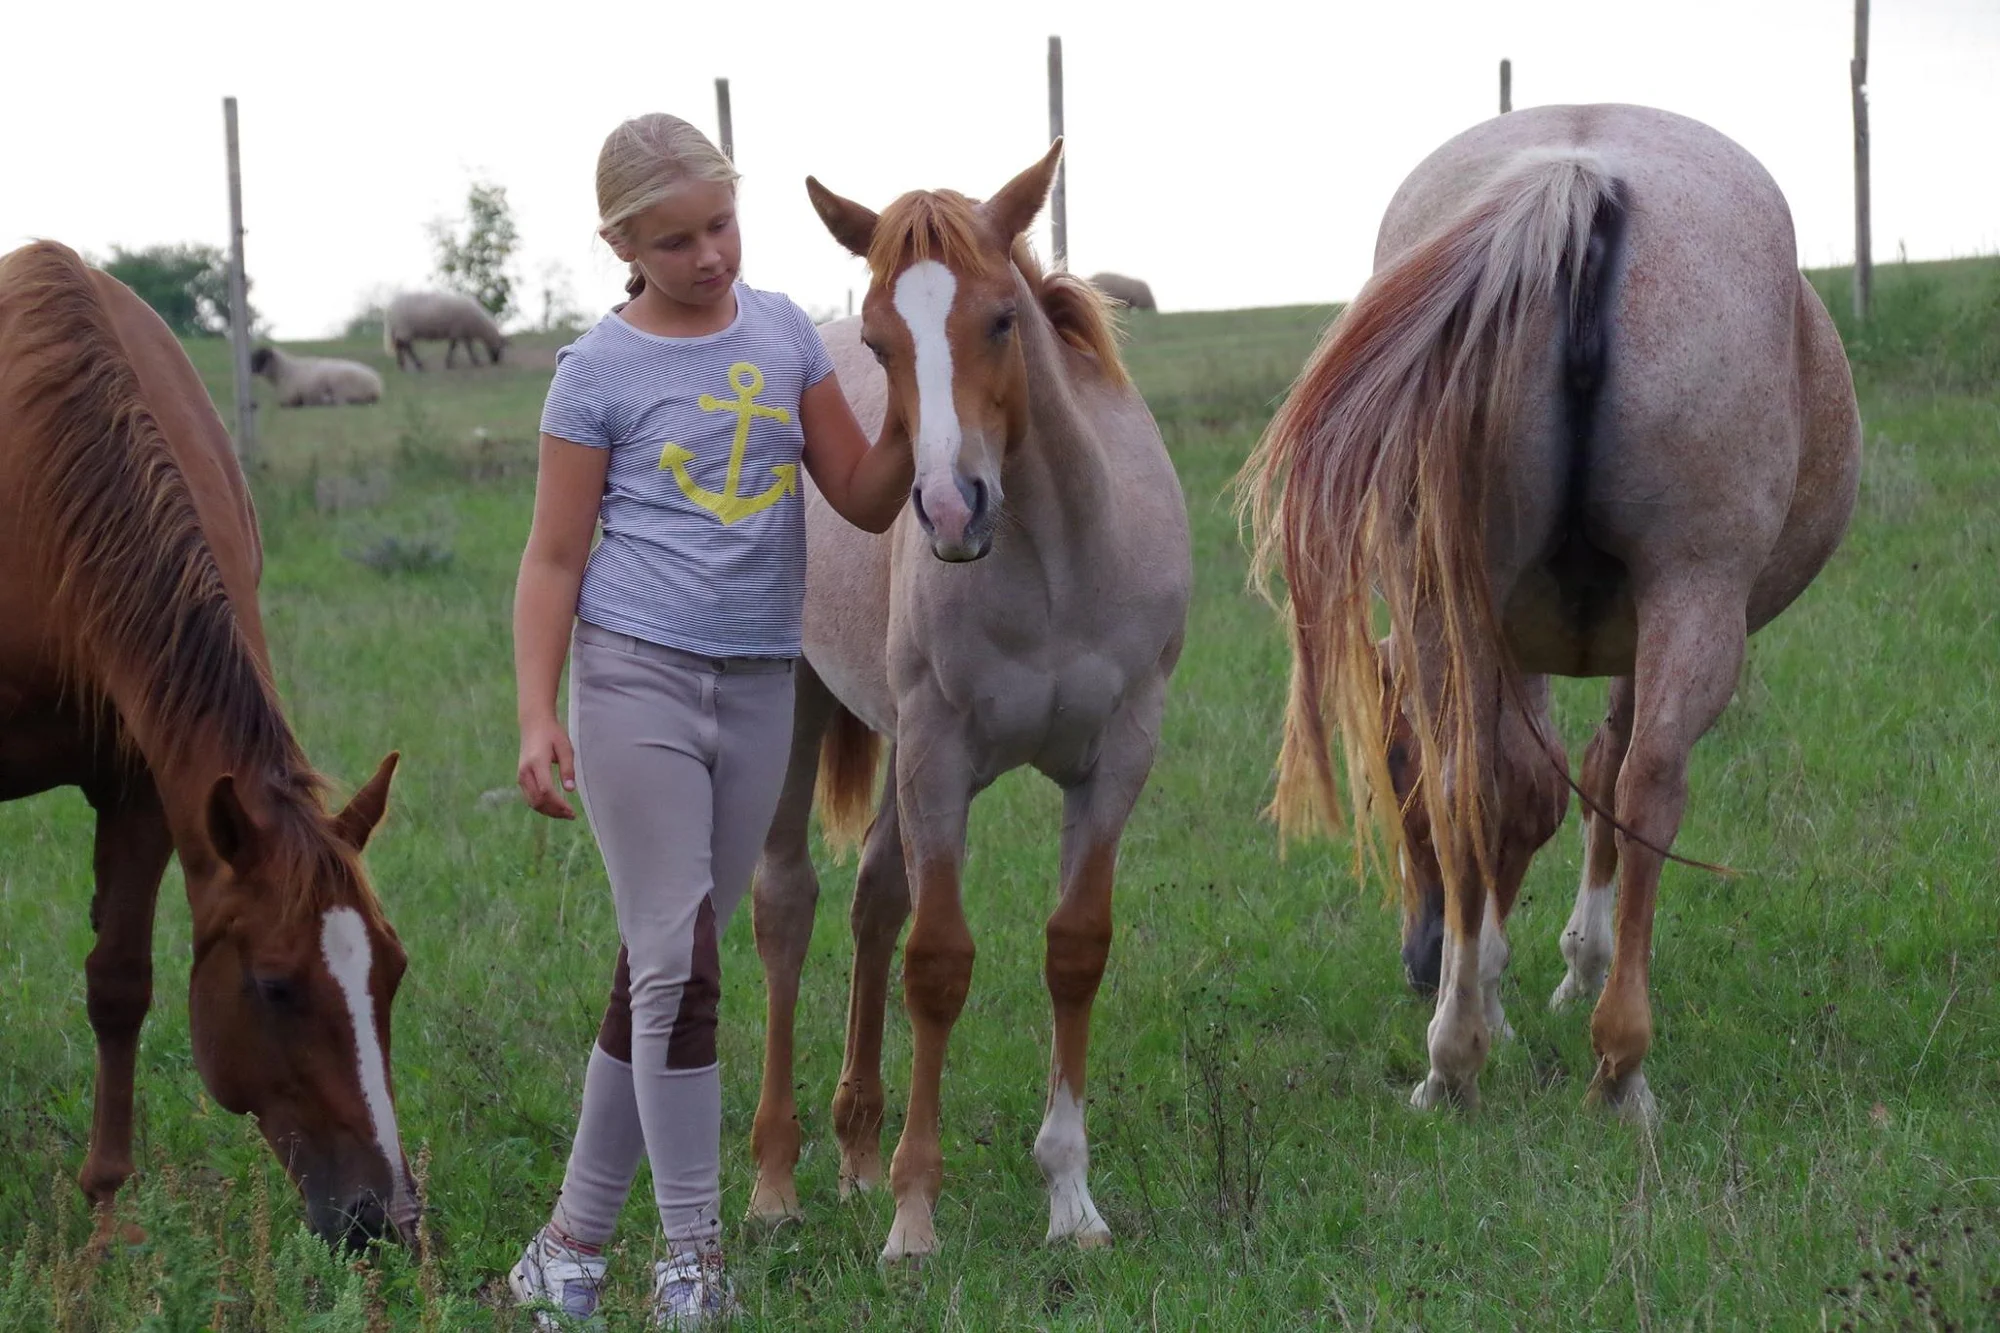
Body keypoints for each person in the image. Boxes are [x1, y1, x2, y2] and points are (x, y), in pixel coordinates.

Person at [508, 112, 911, 1328]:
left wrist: (921, 410)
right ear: (621, 242)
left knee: (659, 960)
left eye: (721, 226)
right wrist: (536, 712)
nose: (709, 256)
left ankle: (570, 1246)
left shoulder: (786, 335)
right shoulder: (596, 374)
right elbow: (552, 555)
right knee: (685, 961)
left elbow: (859, 493)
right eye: (676, 239)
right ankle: (691, 1260)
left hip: (756, 684)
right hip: (634, 680)